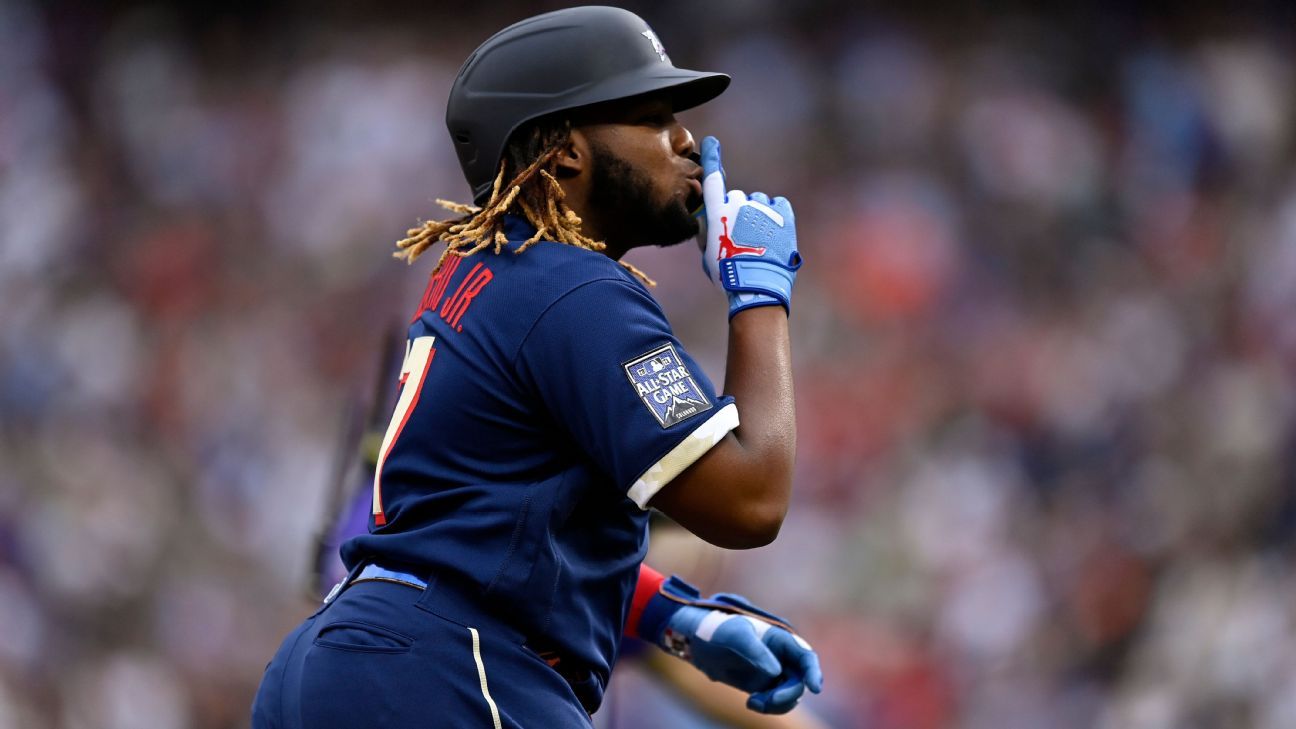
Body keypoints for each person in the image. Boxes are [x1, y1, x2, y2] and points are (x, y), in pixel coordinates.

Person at [252, 7, 819, 728]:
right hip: (452, 668)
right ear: (565, 153)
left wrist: (679, 620)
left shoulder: (487, 273)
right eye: (651, 117)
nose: (687, 141)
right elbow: (750, 499)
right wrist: (760, 294)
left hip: (344, 664)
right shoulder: (575, 289)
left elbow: (496, 535)